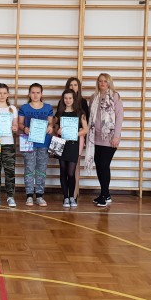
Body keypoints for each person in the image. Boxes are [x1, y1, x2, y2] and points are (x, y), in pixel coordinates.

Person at [83, 73, 123, 208]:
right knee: (99, 165)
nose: (103, 83)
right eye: (100, 81)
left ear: (109, 83)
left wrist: (116, 136)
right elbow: (90, 117)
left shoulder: (115, 96)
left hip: (110, 138)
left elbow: (119, 117)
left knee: (104, 165)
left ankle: (104, 195)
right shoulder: (93, 97)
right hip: (95, 137)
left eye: (105, 81)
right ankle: (106, 194)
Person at [18, 82, 54, 207]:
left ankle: (39, 195)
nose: (35, 95)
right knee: (29, 168)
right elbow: (20, 124)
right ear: (29, 94)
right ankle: (29, 195)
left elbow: (51, 123)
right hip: (29, 143)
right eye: (33, 92)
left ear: (41, 94)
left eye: (38, 92)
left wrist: (50, 127)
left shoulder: (48, 108)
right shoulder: (24, 108)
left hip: (44, 142)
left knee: (41, 169)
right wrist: (24, 128)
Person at [55, 88, 88, 208]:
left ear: (74, 99)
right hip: (61, 144)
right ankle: (65, 197)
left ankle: (72, 197)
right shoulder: (59, 113)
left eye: (70, 98)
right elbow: (55, 127)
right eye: (65, 98)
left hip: (73, 145)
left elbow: (86, 129)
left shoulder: (80, 113)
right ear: (63, 99)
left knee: (71, 172)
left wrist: (75, 133)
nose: (68, 100)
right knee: (63, 171)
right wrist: (57, 130)